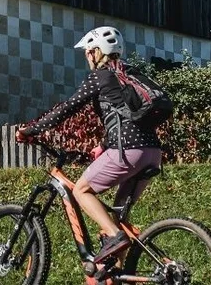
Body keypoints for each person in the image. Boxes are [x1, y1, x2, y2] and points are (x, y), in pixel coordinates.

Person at [16, 26, 165, 269]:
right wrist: (103, 145)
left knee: (81, 191)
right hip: (152, 153)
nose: (87, 57)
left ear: (97, 52)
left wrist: (30, 129)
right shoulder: (130, 74)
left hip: (127, 150)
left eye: (88, 52)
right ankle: (115, 275)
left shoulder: (100, 76)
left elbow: (67, 108)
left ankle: (114, 237)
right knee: (115, 220)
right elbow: (128, 116)